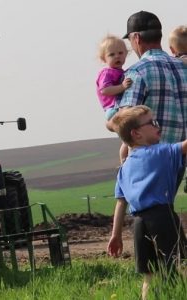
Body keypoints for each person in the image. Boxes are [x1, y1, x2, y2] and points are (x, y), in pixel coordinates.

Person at [107, 105, 187, 300]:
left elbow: (121, 203)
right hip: (162, 218)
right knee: (181, 265)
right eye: (152, 123)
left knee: (149, 275)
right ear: (136, 134)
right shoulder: (158, 153)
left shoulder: (124, 167)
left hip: (139, 223)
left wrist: (115, 235)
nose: (157, 125)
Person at [113, 11, 187, 188]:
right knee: (165, 210)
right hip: (179, 157)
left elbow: (124, 121)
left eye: (130, 40)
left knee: (147, 213)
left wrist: (110, 122)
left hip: (148, 160)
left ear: (136, 38)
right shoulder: (184, 68)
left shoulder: (137, 72)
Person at [96, 35, 132, 163]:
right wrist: (122, 87)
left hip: (117, 107)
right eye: (112, 54)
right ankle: (124, 161)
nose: (117, 56)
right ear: (103, 58)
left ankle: (126, 160)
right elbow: (105, 90)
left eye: (120, 53)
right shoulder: (107, 73)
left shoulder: (120, 71)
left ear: (126, 54)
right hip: (112, 109)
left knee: (128, 139)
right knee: (128, 139)